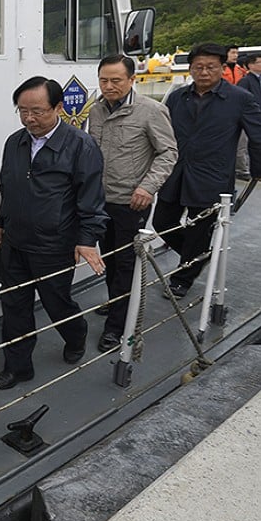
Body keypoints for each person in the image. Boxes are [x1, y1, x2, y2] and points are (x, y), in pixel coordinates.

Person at [0, 77, 108, 390]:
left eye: (38, 112)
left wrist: (86, 240)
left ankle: (75, 333)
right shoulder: (15, 142)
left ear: (58, 107)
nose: (30, 118)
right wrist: (0, 221)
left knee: (57, 302)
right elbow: (8, 186)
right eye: (23, 111)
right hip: (15, 241)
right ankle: (18, 366)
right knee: (14, 305)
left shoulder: (81, 146)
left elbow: (91, 198)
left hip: (54, 243)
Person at [153, 43, 261, 297]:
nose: (204, 72)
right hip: (176, 172)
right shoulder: (178, 96)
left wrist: (258, 170)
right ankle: (199, 258)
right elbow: (163, 134)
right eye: (198, 67)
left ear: (222, 68)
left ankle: (183, 278)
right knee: (162, 222)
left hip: (211, 175)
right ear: (190, 69)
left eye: (211, 67)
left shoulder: (240, 99)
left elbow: (257, 136)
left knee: (198, 230)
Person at [87, 55, 177, 352]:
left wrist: (148, 187)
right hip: (101, 202)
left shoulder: (151, 111)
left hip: (131, 202)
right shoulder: (96, 111)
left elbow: (168, 153)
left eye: (116, 80)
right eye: (103, 80)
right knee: (110, 259)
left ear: (131, 80)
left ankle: (116, 327)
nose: (109, 86)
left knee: (125, 263)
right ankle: (117, 302)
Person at [234, 52, 261, 178]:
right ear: (250, 65)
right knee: (243, 145)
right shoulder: (245, 81)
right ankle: (243, 170)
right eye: (260, 62)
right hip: (248, 118)